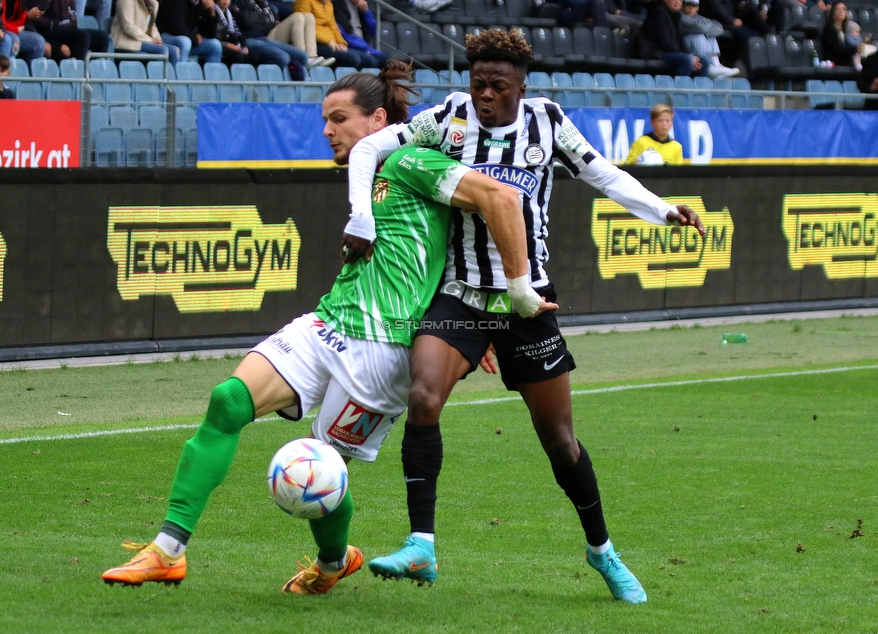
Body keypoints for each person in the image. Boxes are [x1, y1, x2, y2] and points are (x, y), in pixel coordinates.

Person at [100, 59, 554, 595]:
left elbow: (499, 200)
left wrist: (483, 318)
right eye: (325, 119)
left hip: (384, 354)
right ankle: (167, 550)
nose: (326, 130)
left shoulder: (413, 160)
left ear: (377, 119)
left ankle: (333, 562)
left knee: (320, 469)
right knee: (227, 401)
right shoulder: (368, 178)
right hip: (328, 322)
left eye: (338, 118)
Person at [345, 28, 706, 603]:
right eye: (478, 83)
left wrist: (663, 210)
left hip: (529, 303)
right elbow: (367, 149)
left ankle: (602, 552)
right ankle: (421, 545)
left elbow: (603, 174)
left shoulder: (547, 121)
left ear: (521, 84)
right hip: (461, 294)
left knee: (560, 441)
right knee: (423, 397)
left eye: (498, 85)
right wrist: (360, 216)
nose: (485, 95)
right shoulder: (448, 118)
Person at [232, 0, 309, 80]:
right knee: (283, 58)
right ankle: (258, 78)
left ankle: (294, 76)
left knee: (302, 56)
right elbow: (246, 20)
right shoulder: (238, 2)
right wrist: (262, 19)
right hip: (248, 40)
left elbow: (271, 21)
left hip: (265, 38)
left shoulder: (262, 3)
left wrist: (259, 19)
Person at [639, 0, 710, 78]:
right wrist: (689, 57)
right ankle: (680, 88)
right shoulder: (658, 14)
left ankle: (697, 89)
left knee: (704, 61)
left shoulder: (677, 16)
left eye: (680, 0)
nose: (678, 2)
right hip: (655, 53)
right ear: (666, 1)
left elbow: (681, 41)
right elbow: (665, 43)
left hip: (671, 52)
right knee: (686, 60)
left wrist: (691, 56)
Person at [27, 0, 112, 62]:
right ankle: (77, 76)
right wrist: (55, 24)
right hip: (46, 32)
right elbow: (34, 18)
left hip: (65, 31)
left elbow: (72, 15)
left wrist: (70, 24)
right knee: (82, 36)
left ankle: (93, 75)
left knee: (102, 37)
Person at [292, 0, 366, 69]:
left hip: (332, 43)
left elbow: (333, 26)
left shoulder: (328, 3)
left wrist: (341, 43)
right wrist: (329, 41)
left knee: (370, 61)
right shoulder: (304, 2)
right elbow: (304, 27)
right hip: (315, 44)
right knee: (353, 59)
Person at [680, 0, 739, 78]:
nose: (691, 8)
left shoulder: (699, 18)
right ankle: (708, 66)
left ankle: (716, 65)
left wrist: (705, 29)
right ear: (683, 6)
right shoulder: (680, 16)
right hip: (684, 45)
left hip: (695, 46)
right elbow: (700, 28)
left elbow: (719, 27)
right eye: (688, 5)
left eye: (694, 6)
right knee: (699, 36)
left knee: (711, 37)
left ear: (697, 8)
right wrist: (706, 28)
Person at [112, 0, 181, 65]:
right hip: (126, 41)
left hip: (143, 40)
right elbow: (128, 26)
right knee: (162, 49)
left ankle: (171, 77)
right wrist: (150, 40)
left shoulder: (154, 4)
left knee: (174, 50)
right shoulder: (127, 1)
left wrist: (157, 38)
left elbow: (152, 25)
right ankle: (158, 77)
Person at [266, 1, 334, 67]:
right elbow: (258, 25)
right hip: (265, 38)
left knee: (309, 16)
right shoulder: (257, 6)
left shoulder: (266, 5)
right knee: (297, 16)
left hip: (277, 32)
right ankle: (302, 57)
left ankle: (312, 56)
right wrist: (270, 24)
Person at [157, 0, 224, 63]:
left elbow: (210, 35)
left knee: (215, 45)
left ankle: (213, 75)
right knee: (185, 42)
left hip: (188, 39)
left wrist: (211, 13)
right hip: (163, 37)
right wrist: (194, 38)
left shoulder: (200, 2)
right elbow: (177, 28)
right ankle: (180, 73)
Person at [331, 0, 386, 68]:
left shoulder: (362, 7)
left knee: (386, 59)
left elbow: (373, 31)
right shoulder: (338, 5)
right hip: (349, 46)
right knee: (369, 60)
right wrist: (365, 49)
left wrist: (366, 12)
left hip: (363, 46)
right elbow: (345, 35)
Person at [820, 1, 861, 69]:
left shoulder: (846, 30)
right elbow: (837, 51)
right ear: (833, 13)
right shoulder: (828, 30)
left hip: (846, 63)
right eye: (838, 9)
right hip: (834, 64)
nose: (841, 11)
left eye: (843, 9)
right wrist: (855, 49)